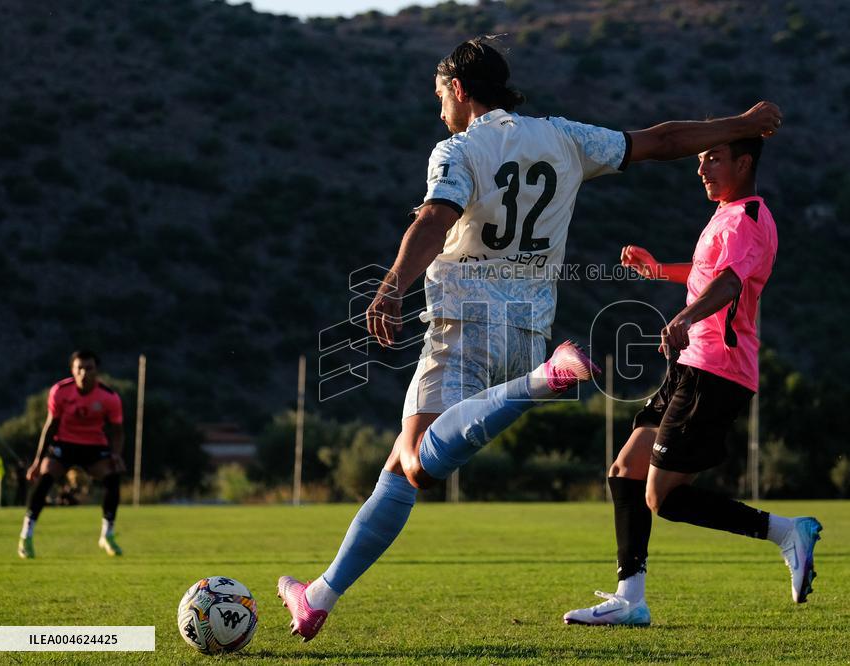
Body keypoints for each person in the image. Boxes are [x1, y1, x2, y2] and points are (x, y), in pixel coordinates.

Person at [277, 36, 783, 641]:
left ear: (460, 91)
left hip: (464, 321)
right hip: (526, 326)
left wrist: (389, 288)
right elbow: (663, 140)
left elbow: (434, 220)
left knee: (417, 466)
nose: (440, 109)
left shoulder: (457, 149)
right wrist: (743, 122)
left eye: (441, 96)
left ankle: (544, 380)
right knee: (398, 468)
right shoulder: (564, 136)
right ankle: (320, 595)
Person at [563, 137, 822, 627]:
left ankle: (787, 532)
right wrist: (659, 270)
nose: (701, 168)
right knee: (625, 472)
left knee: (662, 497)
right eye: (700, 159)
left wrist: (684, 316)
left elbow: (729, 284)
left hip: (717, 370)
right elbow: (708, 273)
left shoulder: (747, 217)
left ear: (744, 163)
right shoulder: (725, 215)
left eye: (713, 158)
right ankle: (630, 598)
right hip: (691, 367)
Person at [18, 350, 125, 559]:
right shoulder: (60, 391)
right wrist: (37, 461)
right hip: (64, 444)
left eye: (89, 368)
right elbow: (50, 426)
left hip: (94, 445)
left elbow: (118, 431)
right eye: (80, 368)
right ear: (72, 370)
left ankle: (107, 535)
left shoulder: (109, 397)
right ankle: (26, 536)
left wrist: (116, 455)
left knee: (113, 476)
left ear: (97, 370)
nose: (84, 372)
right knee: (45, 477)